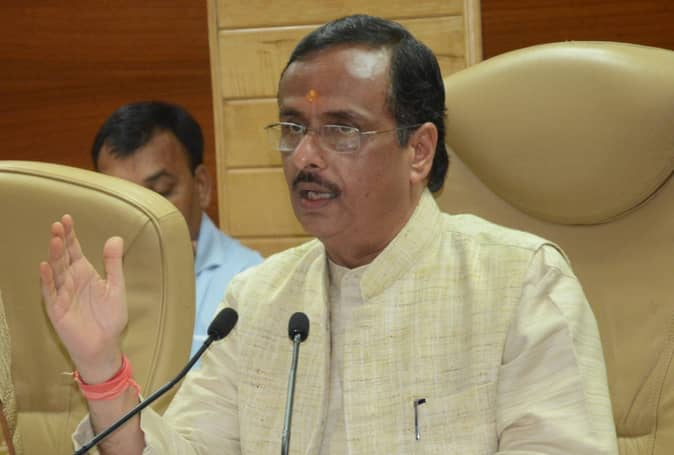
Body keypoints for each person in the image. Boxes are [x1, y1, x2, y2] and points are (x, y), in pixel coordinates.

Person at [40, 15, 618, 454]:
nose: (304, 157)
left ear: (419, 150)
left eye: (341, 130)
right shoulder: (256, 300)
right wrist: (102, 366)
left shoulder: (519, 282)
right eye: (293, 128)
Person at [90, 101, 263, 360]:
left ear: (201, 186)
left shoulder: (250, 282)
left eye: (160, 193)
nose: (139, 217)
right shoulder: (89, 279)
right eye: (120, 201)